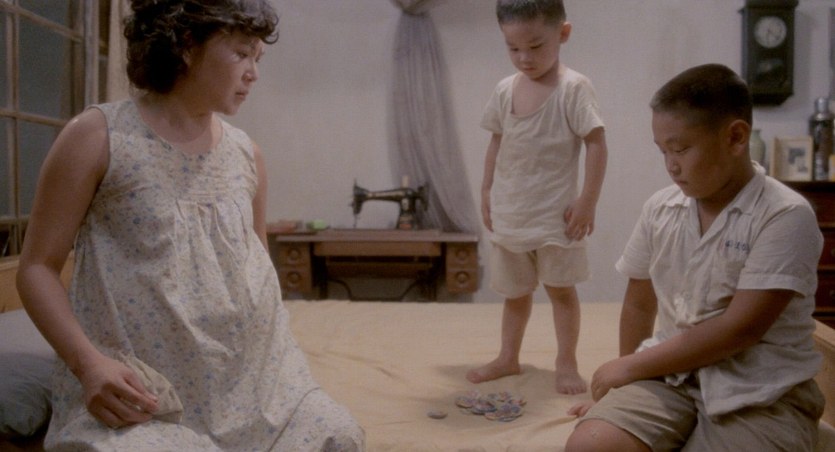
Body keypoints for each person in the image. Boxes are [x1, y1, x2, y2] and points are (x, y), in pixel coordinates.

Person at [15, 0, 364, 450]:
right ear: (185, 45)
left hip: (256, 388)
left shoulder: (247, 154)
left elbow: (258, 268)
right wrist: (89, 365)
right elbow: (36, 268)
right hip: (145, 394)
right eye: (241, 53)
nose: (254, 73)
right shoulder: (98, 135)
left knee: (340, 437)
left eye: (258, 57)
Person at [565, 64, 825, 451]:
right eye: (663, 151)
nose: (671, 165)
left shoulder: (785, 215)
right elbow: (639, 304)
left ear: (735, 138)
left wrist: (629, 365)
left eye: (681, 149)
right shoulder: (660, 208)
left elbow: (740, 329)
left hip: (761, 391)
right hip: (670, 375)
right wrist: (624, 383)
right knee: (591, 445)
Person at [467, 0, 608, 395]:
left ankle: (567, 363)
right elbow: (497, 142)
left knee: (561, 292)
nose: (524, 58)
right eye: (513, 48)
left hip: (556, 218)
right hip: (512, 215)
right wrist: (486, 189)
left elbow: (597, 144)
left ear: (563, 34)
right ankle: (507, 357)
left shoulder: (573, 88)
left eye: (535, 46)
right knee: (515, 295)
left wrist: (588, 201)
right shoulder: (504, 89)